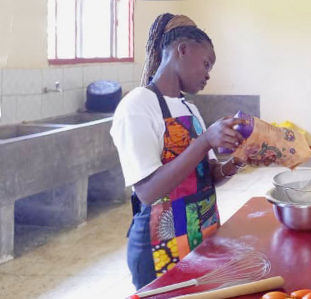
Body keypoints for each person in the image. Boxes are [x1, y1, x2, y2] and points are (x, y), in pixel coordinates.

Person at [111, 13, 246, 289]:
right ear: (182, 50)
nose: (209, 74)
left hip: (202, 236)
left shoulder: (189, 108)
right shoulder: (138, 104)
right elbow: (147, 192)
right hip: (161, 247)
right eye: (206, 63)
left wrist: (235, 163)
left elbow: (207, 175)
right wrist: (205, 140)